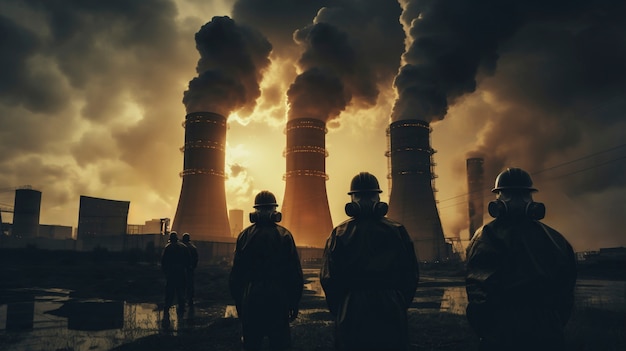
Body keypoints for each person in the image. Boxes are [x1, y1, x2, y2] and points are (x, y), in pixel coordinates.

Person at [465, 168, 577, 351]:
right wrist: (551, 325)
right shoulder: (556, 239)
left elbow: (478, 295)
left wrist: (488, 332)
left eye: (520, 195)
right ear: (532, 197)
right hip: (548, 336)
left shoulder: (486, 236)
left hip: (501, 336)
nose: (515, 201)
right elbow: (566, 297)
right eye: (511, 195)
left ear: (497, 199)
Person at [320, 172, 419, 351]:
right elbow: (410, 274)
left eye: (368, 196)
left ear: (351, 200)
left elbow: (329, 277)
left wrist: (341, 307)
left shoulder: (339, 233)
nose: (365, 201)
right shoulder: (397, 230)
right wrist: (399, 302)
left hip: (352, 307)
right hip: (390, 305)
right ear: (379, 198)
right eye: (363, 196)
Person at [229, 190, 304, 351]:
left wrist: (239, 302)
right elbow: (294, 273)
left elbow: (236, 275)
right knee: (280, 343)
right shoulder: (284, 235)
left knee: (252, 342)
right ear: (275, 211)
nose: (264, 213)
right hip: (277, 296)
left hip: (252, 296)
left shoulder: (244, 236)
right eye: (263, 210)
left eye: (266, 210)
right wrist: (294, 302)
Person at [160, 231, 191, 328]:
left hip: (172, 274)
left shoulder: (168, 247)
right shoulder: (184, 247)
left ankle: (167, 309)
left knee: (170, 292)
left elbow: (163, 261)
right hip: (181, 273)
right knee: (181, 291)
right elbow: (189, 261)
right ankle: (181, 309)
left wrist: (166, 272)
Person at [181, 232, 199, 317]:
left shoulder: (180, 247)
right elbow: (196, 259)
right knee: (190, 285)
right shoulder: (193, 247)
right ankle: (190, 300)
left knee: (181, 285)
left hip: (181, 270)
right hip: (190, 269)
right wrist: (193, 267)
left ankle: (182, 302)